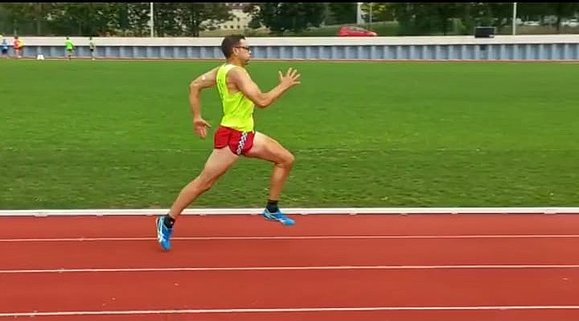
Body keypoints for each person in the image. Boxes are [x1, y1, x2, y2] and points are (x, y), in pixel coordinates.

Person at [155, 34, 301, 251]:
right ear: (235, 50)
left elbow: (194, 85)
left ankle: (271, 207)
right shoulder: (237, 73)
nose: (250, 52)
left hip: (247, 135)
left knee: (286, 159)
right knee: (204, 183)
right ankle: (166, 221)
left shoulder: (221, 70)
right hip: (232, 138)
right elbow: (262, 101)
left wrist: (197, 117)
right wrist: (284, 86)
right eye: (247, 48)